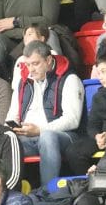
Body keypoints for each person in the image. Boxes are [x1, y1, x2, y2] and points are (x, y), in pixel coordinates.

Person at [6, 40, 82, 184]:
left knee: (47, 136)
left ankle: (48, 191)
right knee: (3, 140)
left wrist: (40, 130)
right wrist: (11, 129)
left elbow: (72, 120)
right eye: (28, 65)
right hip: (27, 136)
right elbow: (12, 115)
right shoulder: (23, 82)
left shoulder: (69, 79)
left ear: (48, 60)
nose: (31, 70)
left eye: (35, 64)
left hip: (63, 136)